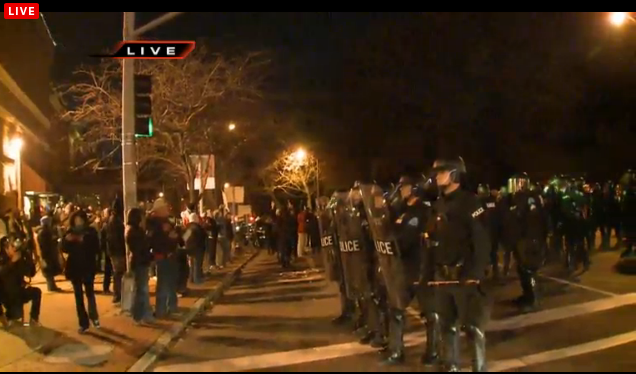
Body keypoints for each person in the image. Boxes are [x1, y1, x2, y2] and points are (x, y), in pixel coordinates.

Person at [429, 156, 490, 372]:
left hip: (465, 275)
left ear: (454, 174)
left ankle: (479, 368)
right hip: (443, 277)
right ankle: (452, 366)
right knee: (446, 326)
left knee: (472, 328)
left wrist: (475, 273)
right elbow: (433, 241)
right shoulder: (438, 205)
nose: (436, 176)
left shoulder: (470, 202)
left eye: (442, 172)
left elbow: (482, 241)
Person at [61, 210, 100, 333]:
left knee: (90, 293)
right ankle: (83, 323)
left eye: (80, 219)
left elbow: (96, 247)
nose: (78, 222)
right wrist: (68, 240)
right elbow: (63, 248)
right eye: (76, 220)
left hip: (88, 266)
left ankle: (94, 317)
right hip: (75, 268)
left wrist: (81, 240)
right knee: (78, 296)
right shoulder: (69, 232)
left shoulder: (90, 231)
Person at [147, 198, 180, 318]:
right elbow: (154, 242)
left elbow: (176, 237)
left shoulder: (167, 222)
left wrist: (174, 237)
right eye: (165, 207)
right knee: (163, 284)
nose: (167, 209)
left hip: (170, 255)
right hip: (162, 256)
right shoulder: (154, 224)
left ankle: (171, 306)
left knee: (170, 283)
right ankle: (161, 309)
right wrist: (168, 236)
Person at [0, 235, 41, 327]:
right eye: (12, 246)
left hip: (18, 292)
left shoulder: (19, 257)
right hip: (6, 296)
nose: (14, 248)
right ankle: (6, 316)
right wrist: (12, 262)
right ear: (5, 247)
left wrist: (28, 257)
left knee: (36, 292)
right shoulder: (2, 258)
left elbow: (30, 274)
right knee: (16, 315)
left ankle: (34, 319)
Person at [126, 208, 154, 324]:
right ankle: (139, 315)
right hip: (140, 263)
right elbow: (141, 248)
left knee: (142, 290)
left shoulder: (136, 231)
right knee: (141, 290)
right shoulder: (134, 232)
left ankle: (144, 314)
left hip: (140, 262)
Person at [36, 215, 62, 292]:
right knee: (48, 269)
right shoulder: (43, 232)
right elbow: (44, 244)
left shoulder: (45, 231)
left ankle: (52, 285)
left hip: (48, 252)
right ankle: (51, 286)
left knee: (49, 269)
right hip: (47, 253)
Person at [107, 199, 126, 304]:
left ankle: (118, 293)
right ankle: (117, 294)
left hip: (115, 251)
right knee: (118, 273)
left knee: (118, 273)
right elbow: (116, 238)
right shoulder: (115, 221)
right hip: (117, 251)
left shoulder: (113, 220)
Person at [184, 213, 206, 284]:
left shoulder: (187, 227)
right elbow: (203, 237)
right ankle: (197, 279)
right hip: (198, 248)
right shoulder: (198, 228)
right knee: (197, 264)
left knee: (191, 265)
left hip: (189, 249)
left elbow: (185, 238)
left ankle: (191, 279)